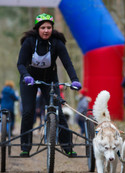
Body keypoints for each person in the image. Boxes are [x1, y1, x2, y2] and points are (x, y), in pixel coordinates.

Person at [17, 13, 81, 157]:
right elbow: (20, 63)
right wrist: (26, 76)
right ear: (37, 28)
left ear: (52, 28)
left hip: (50, 80)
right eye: (43, 28)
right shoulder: (29, 42)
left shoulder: (57, 43)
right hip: (29, 80)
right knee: (28, 112)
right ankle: (25, 147)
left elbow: (67, 63)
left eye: (49, 27)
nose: (46, 30)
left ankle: (68, 147)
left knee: (58, 111)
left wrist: (75, 79)